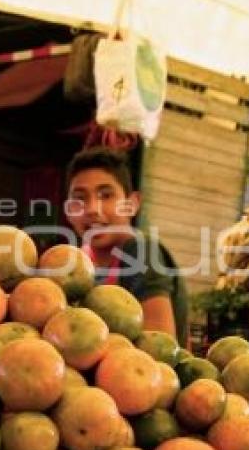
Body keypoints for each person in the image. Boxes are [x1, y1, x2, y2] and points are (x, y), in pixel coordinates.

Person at [65, 147, 189, 343]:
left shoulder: (139, 250)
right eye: (80, 198)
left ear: (132, 204)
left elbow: (159, 348)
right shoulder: (78, 261)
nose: (92, 209)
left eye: (106, 195)